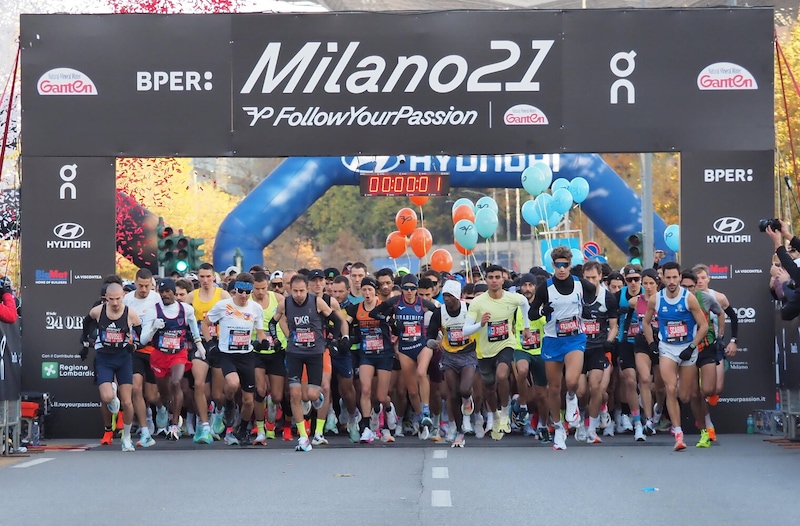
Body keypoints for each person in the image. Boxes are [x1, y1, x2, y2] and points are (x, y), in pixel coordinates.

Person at [528, 248, 595, 450]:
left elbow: (593, 293)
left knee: (572, 381)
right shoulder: (544, 288)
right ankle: (558, 428)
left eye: (565, 264)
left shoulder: (579, 283)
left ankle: (572, 397)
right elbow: (532, 314)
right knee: (554, 388)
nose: (562, 268)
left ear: (570, 264)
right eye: (558, 264)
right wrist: (542, 310)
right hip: (552, 340)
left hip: (575, 338)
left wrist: (588, 307)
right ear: (553, 265)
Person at [643, 262, 708, 451]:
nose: (671, 281)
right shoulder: (656, 299)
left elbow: (703, 326)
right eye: (667, 278)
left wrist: (692, 346)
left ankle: (702, 429)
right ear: (662, 278)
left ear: (680, 277)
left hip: (687, 348)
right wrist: (652, 343)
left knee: (685, 396)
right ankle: (678, 434)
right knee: (670, 389)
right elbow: (646, 323)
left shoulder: (689, 299)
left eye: (674, 277)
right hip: (667, 349)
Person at [275, 274, 342, 452]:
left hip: (315, 352)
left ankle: (317, 400)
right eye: (295, 291)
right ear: (290, 290)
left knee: (312, 395)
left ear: (307, 289)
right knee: (295, 394)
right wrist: (277, 340)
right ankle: (304, 437)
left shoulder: (317, 302)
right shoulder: (284, 304)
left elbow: (336, 320)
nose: (298, 294)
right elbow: (273, 323)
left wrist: (333, 340)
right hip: (294, 352)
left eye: (301, 291)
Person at [201, 272, 267, 446]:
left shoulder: (255, 308)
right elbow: (205, 324)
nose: (244, 296)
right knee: (232, 384)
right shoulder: (223, 306)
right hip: (227, 354)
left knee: (248, 400)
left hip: (246, 355)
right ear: (234, 290)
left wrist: (265, 343)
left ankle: (243, 429)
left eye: (248, 292)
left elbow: (260, 334)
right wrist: (209, 344)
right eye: (240, 291)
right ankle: (229, 403)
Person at [466, 264, 530, 441]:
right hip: (485, 351)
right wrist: (480, 324)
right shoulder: (478, 303)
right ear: (485, 280)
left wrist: (526, 327)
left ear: (503, 279)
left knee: (503, 375)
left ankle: (504, 412)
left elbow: (524, 303)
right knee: (488, 388)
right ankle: (494, 415)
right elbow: (465, 330)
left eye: (497, 277)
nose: (494, 281)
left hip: (506, 344)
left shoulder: (512, 298)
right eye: (490, 277)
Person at [372, 274, 437, 440]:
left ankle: (426, 410)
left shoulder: (423, 303)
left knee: (422, 373)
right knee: (412, 391)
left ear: (416, 289)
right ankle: (421, 418)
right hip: (405, 347)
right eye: (406, 288)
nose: (409, 292)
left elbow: (439, 315)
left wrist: (432, 335)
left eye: (412, 288)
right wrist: (390, 320)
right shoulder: (395, 302)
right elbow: (374, 313)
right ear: (402, 289)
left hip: (421, 345)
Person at [140, 278, 205, 441]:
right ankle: (165, 410)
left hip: (178, 353)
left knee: (177, 382)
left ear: (174, 293)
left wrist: (199, 345)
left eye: (167, 292)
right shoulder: (153, 311)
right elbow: (142, 340)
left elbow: (193, 327)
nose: (164, 295)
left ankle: (174, 424)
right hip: (160, 355)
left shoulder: (186, 310)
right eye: (161, 292)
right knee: (164, 394)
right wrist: (154, 327)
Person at [89, 283, 142, 452]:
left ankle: (126, 437)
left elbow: (141, 336)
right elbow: (86, 324)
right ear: (106, 298)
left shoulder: (130, 313)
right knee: (106, 397)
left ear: (123, 297)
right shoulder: (98, 311)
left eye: (118, 299)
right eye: (111, 299)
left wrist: (134, 346)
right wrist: (87, 340)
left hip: (123, 358)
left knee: (127, 401)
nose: (115, 303)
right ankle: (112, 396)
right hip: (104, 357)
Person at [344, 277, 395, 444]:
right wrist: (345, 335)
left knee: (381, 396)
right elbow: (345, 322)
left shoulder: (384, 307)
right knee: (365, 390)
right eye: (364, 290)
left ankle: (388, 408)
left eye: (370, 290)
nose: (367, 293)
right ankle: (366, 427)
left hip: (384, 353)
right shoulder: (356, 308)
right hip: (366, 353)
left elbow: (394, 326)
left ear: (376, 292)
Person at [426, 279, 476, 447]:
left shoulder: (468, 309)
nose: (446, 299)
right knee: (452, 394)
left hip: (468, 353)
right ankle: (460, 430)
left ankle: (468, 399)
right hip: (449, 356)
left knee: (464, 389)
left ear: (457, 297)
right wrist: (431, 342)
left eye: (450, 296)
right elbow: (430, 333)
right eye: (445, 295)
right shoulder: (439, 313)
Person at [578, 261, 618, 444]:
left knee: (595, 388)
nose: (591, 281)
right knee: (580, 391)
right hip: (577, 349)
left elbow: (614, 326)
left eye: (594, 277)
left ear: (601, 276)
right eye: (587, 278)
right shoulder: (576, 295)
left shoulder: (607, 297)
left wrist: (609, 341)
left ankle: (592, 429)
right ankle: (578, 420)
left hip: (597, 348)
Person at [513, 273, 549, 442]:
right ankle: (522, 405)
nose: (527, 289)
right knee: (522, 371)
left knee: (542, 395)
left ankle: (542, 425)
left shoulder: (542, 305)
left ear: (535, 287)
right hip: (521, 349)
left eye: (530, 285)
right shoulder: (515, 306)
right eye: (524, 285)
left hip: (541, 351)